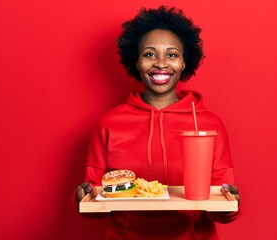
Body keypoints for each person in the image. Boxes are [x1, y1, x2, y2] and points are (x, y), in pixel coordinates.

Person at [75, 5, 241, 239]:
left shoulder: (208, 123)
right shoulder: (109, 123)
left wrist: (230, 204)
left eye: (172, 54)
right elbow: (97, 200)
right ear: (137, 61)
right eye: (149, 54)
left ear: (184, 63)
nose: (161, 63)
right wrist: (82, 198)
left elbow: (221, 204)